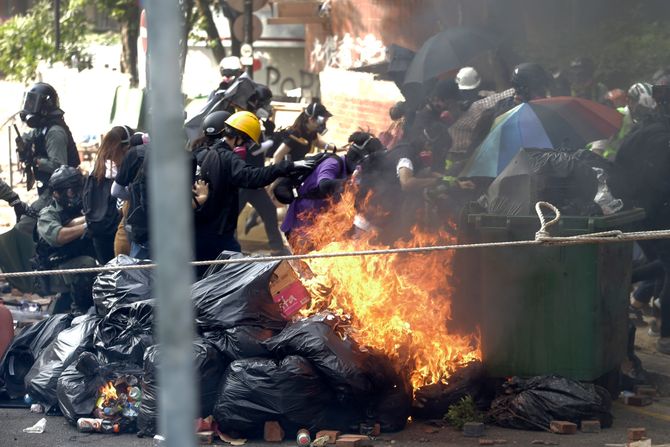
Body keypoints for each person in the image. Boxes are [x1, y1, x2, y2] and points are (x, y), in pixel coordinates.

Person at [194, 111, 314, 275]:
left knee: (201, 276)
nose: (244, 146)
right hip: (217, 233)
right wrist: (288, 167)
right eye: (245, 141)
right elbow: (252, 177)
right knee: (235, 274)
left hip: (198, 228)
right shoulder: (227, 157)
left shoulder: (201, 153)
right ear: (238, 137)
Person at [609, 84, 670, 354]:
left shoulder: (650, 129)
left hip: (641, 210)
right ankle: (666, 333)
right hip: (651, 212)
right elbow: (658, 182)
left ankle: (634, 285)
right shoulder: (658, 136)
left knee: (665, 263)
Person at [280, 131, 384, 249]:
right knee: (303, 263)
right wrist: (349, 184)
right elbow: (323, 185)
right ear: (358, 159)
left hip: (321, 224)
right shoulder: (333, 163)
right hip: (302, 223)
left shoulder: (354, 173)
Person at [16, 82, 80, 235]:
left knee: (24, 226)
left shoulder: (55, 132)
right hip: (49, 188)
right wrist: (23, 146)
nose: (29, 107)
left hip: (60, 192)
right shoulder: (43, 127)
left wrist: (37, 161)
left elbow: (60, 166)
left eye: (33, 103)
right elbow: (30, 137)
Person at [34, 166, 96, 314]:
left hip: (72, 263)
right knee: (87, 264)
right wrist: (89, 225)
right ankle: (78, 311)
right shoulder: (48, 214)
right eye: (70, 191)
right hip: (55, 271)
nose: (74, 195)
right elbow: (59, 236)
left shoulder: (80, 207)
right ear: (56, 193)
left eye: (77, 189)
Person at [85, 125, 134, 264]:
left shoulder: (94, 170)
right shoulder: (123, 171)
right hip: (117, 235)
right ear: (126, 148)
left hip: (97, 235)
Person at [272, 99, 334, 164]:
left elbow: (317, 143)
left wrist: (337, 149)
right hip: (286, 169)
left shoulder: (311, 131)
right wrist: (276, 173)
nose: (323, 124)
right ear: (311, 119)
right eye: (322, 121)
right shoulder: (295, 134)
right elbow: (277, 156)